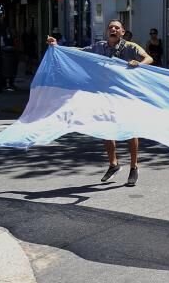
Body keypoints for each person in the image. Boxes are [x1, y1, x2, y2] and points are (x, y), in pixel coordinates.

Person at [46, 19, 153, 186]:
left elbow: (149, 58)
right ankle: (114, 164)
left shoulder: (131, 47)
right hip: (105, 95)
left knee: (130, 130)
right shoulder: (99, 46)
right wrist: (57, 46)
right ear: (107, 31)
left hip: (126, 95)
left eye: (117, 27)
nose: (113, 29)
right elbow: (79, 52)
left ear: (122, 32)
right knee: (106, 129)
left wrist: (138, 63)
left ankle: (134, 167)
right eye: (110, 27)